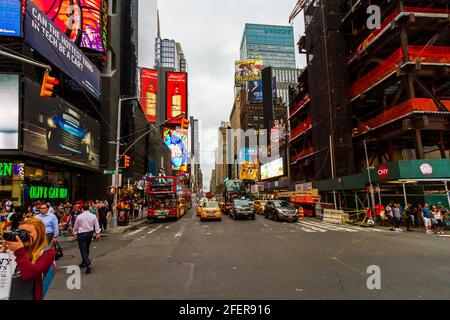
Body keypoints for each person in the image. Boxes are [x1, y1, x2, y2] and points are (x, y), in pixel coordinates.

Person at [0, 218, 56, 300]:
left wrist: (19, 251)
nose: (23, 235)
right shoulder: (12, 250)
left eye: (28, 233)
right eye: (20, 232)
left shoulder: (47, 253)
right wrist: (2, 252)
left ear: (39, 235)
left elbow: (28, 274)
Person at [74, 203, 101, 274]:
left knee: (83, 249)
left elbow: (76, 226)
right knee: (86, 248)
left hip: (82, 234)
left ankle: (88, 264)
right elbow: (97, 225)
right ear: (89, 208)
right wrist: (98, 233)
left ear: (82, 209)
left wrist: (74, 233)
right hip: (90, 233)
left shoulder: (79, 216)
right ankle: (83, 262)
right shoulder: (93, 216)